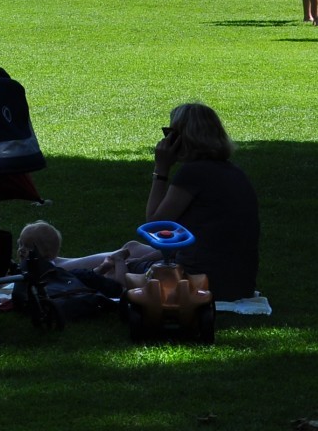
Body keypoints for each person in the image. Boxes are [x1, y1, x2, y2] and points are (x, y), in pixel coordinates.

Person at [55, 103, 261, 302]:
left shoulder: (194, 173)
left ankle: (53, 268)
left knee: (115, 270)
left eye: (170, 132)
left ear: (183, 137)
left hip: (198, 280)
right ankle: (59, 263)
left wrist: (161, 169)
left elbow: (155, 225)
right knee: (132, 248)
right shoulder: (231, 171)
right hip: (237, 282)